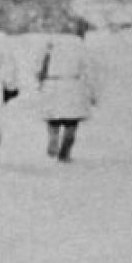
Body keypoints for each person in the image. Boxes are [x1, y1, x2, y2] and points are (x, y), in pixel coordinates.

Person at [31, 14, 99, 161]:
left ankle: (53, 137)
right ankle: (65, 152)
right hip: (72, 84)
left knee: (53, 118)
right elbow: (89, 70)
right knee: (71, 121)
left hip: (52, 82)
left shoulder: (50, 43)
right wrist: (93, 93)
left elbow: (38, 65)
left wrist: (39, 80)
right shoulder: (80, 45)